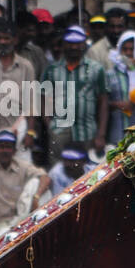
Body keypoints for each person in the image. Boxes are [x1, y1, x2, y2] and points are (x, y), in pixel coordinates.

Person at [38, 26, 110, 164]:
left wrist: (101, 134)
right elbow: (43, 99)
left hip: (87, 130)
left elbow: (103, 102)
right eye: (70, 43)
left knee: (88, 172)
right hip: (59, 130)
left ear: (84, 44)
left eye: (78, 43)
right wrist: (49, 125)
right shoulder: (52, 70)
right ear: (64, 44)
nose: (74, 47)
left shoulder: (96, 69)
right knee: (58, 170)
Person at [0, 131, 50, 239]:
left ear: (14, 151)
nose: (4, 151)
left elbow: (46, 178)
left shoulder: (22, 166)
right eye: (1, 147)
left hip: (18, 220)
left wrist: (36, 197)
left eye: (8, 147)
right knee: (8, 242)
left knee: (36, 183)